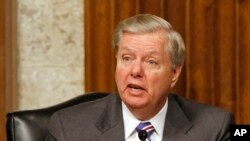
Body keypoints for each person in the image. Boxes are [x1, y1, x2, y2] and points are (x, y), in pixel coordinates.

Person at [46, 14, 234, 141]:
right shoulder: (68, 129)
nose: (135, 71)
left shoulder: (215, 128)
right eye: (127, 59)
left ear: (174, 73)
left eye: (151, 62)